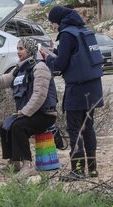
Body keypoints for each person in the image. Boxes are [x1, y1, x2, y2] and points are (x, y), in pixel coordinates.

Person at [40, 6, 103, 181]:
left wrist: (49, 57)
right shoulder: (82, 30)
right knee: (88, 128)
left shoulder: (66, 34)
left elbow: (60, 65)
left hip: (77, 89)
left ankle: (77, 170)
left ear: (58, 21)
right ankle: (92, 169)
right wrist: (56, 51)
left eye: (52, 23)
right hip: (93, 87)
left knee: (75, 129)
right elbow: (75, 55)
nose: (53, 26)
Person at [0, 37, 58, 178]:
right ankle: (13, 162)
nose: (18, 52)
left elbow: (39, 95)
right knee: (5, 126)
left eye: (21, 49)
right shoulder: (19, 68)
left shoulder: (40, 67)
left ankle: (28, 165)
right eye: (18, 49)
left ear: (30, 49)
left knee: (18, 126)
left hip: (45, 114)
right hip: (29, 113)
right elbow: (1, 83)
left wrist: (25, 112)